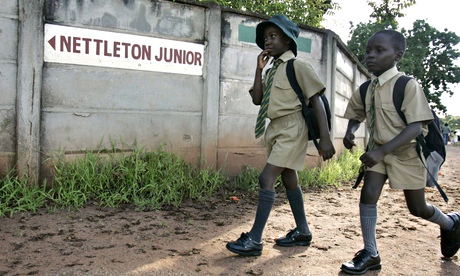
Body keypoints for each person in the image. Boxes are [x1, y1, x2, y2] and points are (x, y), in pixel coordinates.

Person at [341, 29, 460, 274]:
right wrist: (350, 131)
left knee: (417, 208)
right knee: (368, 193)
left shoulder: (407, 85)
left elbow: (416, 127)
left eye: (379, 51)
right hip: (378, 153)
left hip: (406, 154)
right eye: (368, 51)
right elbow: (356, 114)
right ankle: (371, 253)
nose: (370, 56)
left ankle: (450, 223)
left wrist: (383, 150)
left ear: (398, 55)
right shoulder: (366, 89)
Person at [225, 14, 336, 257]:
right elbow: (257, 100)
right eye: (265, 38)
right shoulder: (270, 71)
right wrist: (258, 69)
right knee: (289, 178)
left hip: (293, 127)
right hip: (275, 128)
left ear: (288, 40)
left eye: (273, 36)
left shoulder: (298, 66)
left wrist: (326, 138)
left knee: (267, 178)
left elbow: (316, 100)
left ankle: (255, 239)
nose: (268, 41)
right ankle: (303, 231)